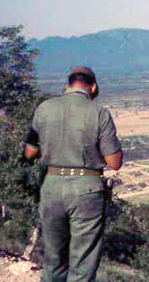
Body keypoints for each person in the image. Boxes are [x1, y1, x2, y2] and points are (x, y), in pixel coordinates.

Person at [24, 66, 123, 282]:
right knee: (83, 262)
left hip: (50, 186)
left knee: (53, 258)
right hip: (86, 188)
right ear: (93, 86)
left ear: (68, 85)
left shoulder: (44, 108)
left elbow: (30, 152)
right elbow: (114, 163)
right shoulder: (99, 113)